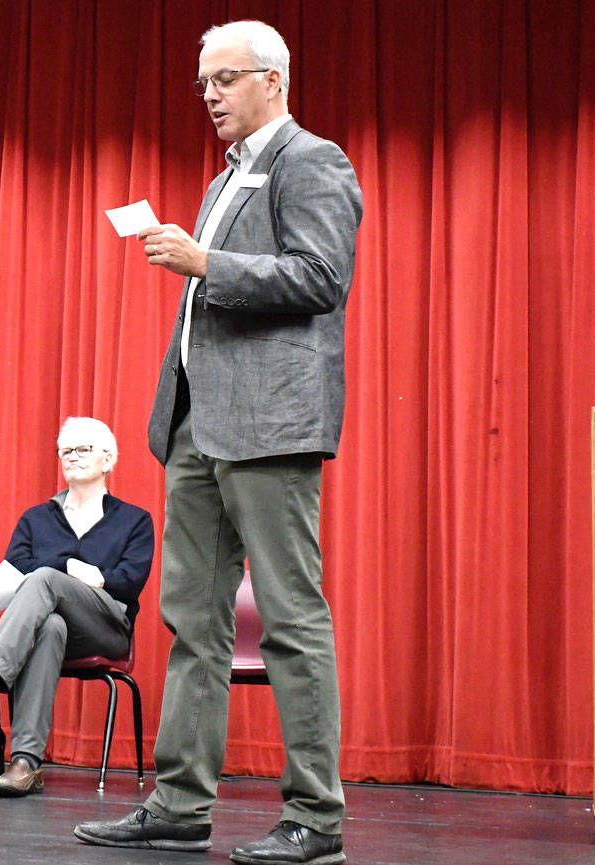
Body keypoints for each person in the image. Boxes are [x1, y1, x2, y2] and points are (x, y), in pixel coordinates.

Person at [74, 20, 362, 865]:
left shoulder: (314, 161)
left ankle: (316, 817)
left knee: (290, 618)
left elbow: (321, 276)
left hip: (272, 425)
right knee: (190, 619)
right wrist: (197, 259)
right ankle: (179, 803)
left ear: (272, 79)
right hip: (198, 425)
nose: (210, 96)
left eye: (225, 80)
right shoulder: (223, 179)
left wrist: (207, 262)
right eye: (204, 83)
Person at [0, 417, 154, 796]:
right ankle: (25, 763)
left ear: (108, 459)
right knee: (50, 627)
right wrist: (71, 568)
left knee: (45, 577)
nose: (73, 457)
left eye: (83, 450)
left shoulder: (133, 520)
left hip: (106, 627)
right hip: (50, 629)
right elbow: (16, 568)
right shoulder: (36, 519)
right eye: (66, 451)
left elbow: (129, 581)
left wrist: (86, 575)